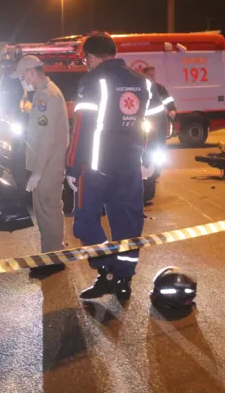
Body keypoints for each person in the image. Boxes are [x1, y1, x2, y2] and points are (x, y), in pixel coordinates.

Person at [65, 31, 167, 302]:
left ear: (92, 56)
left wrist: (72, 167)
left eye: (86, 58)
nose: (86, 63)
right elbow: (160, 121)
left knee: (85, 222)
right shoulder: (143, 81)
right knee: (128, 225)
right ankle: (122, 279)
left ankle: (107, 272)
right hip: (131, 167)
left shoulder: (92, 81)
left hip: (96, 169)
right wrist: (151, 159)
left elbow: (82, 129)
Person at [10, 55, 70, 264]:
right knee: (45, 210)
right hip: (47, 163)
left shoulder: (46, 96)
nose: (21, 81)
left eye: (21, 76)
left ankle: (53, 259)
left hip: (48, 165)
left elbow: (46, 139)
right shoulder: (43, 93)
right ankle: (51, 252)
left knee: (48, 209)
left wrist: (38, 172)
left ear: (30, 73)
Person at [142, 66, 177, 137]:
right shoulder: (140, 88)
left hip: (158, 120)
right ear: (144, 76)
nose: (152, 77)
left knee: (159, 140)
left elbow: (167, 100)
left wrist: (172, 110)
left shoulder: (159, 88)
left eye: (153, 75)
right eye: (149, 75)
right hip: (144, 120)